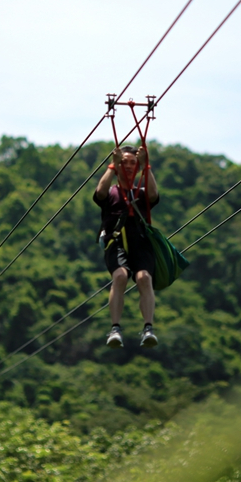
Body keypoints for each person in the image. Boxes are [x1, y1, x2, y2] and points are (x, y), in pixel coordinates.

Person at [94, 144, 160, 348]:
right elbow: (99, 193)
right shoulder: (112, 192)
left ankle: (148, 327)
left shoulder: (140, 193)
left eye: (133, 163)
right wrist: (112, 167)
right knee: (120, 276)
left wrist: (146, 165)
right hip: (116, 241)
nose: (129, 166)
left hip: (140, 240)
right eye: (125, 163)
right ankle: (115, 328)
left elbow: (153, 196)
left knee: (144, 278)